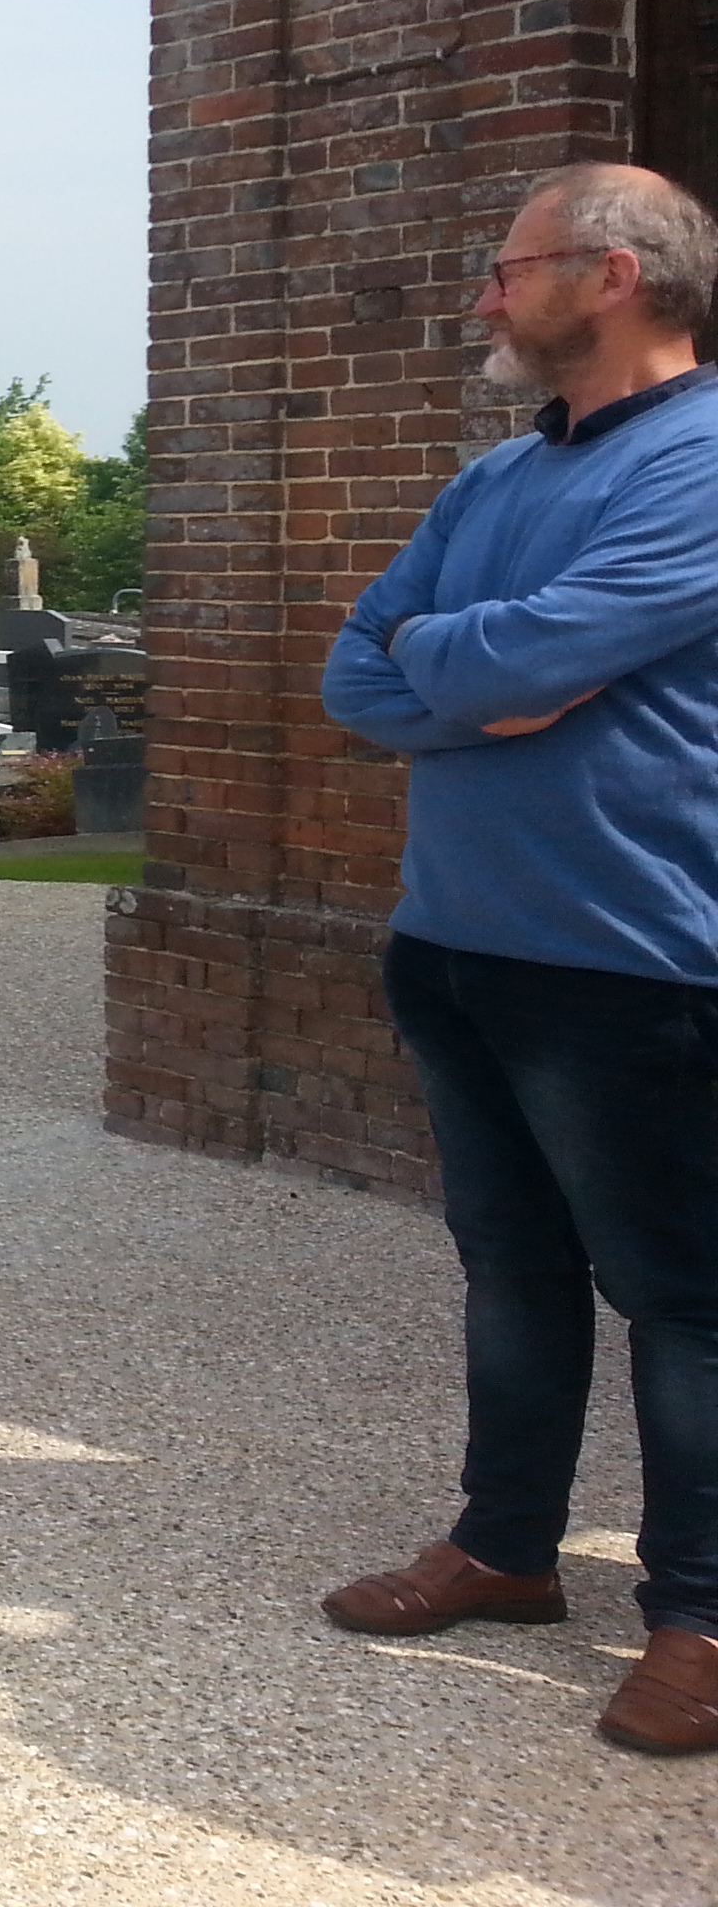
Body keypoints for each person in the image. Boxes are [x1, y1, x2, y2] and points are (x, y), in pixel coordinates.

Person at [318, 162, 718, 1754]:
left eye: (509, 268)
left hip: (632, 961)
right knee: (515, 1270)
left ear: (614, 275)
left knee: (685, 1299)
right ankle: (504, 1549)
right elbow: (360, 670)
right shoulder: (492, 483)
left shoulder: (697, 459)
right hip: (458, 942)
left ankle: (697, 1613)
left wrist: (466, 661)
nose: (485, 295)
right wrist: (470, 670)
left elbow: (544, 648)